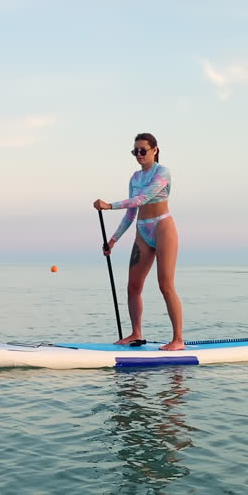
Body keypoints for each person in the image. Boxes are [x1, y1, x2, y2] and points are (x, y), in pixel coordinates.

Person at [93, 132, 184, 350]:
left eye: (143, 150)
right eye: (136, 151)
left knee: (165, 285)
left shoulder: (162, 172)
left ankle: (178, 340)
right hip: (142, 230)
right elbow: (131, 213)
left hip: (162, 226)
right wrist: (113, 240)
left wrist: (109, 205)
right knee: (133, 287)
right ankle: (136, 333)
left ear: (155, 150)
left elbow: (143, 198)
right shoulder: (134, 178)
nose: (139, 155)